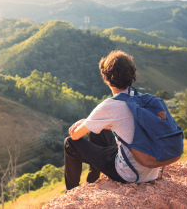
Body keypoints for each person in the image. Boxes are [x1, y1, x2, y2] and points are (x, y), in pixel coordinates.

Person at [64, 50, 159, 190]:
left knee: (69, 144)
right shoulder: (139, 98)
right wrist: (88, 121)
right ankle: (92, 181)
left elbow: (75, 136)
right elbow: (128, 126)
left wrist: (85, 123)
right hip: (151, 170)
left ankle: (71, 192)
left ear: (106, 79)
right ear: (132, 75)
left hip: (130, 174)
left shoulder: (109, 106)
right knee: (98, 131)